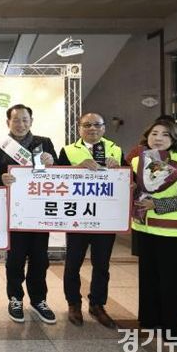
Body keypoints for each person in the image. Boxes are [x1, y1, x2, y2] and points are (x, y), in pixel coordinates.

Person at [131, 118, 177, 339]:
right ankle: (150, 321)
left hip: (173, 231)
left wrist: (158, 205)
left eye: (165, 134)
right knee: (148, 278)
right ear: (147, 137)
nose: (158, 138)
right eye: (154, 133)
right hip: (146, 228)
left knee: (172, 282)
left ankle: (172, 328)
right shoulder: (138, 161)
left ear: (174, 139)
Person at [0, 104, 58, 324]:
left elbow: (58, 173)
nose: (21, 124)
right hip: (14, 212)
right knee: (15, 259)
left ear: (31, 121)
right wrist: (0, 179)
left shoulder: (44, 143)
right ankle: (15, 298)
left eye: (25, 119)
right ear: (8, 122)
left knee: (40, 258)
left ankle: (38, 299)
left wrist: (51, 162)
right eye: (16, 120)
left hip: (39, 210)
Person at [56, 112, 123, 329]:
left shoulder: (115, 149)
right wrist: (77, 167)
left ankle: (97, 304)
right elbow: (57, 178)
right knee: (73, 263)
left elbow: (126, 180)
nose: (92, 128)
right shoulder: (68, 150)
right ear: (79, 128)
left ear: (104, 128)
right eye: (87, 125)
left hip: (105, 217)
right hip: (77, 216)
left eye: (97, 125)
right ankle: (73, 304)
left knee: (101, 264)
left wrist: (119, 168)